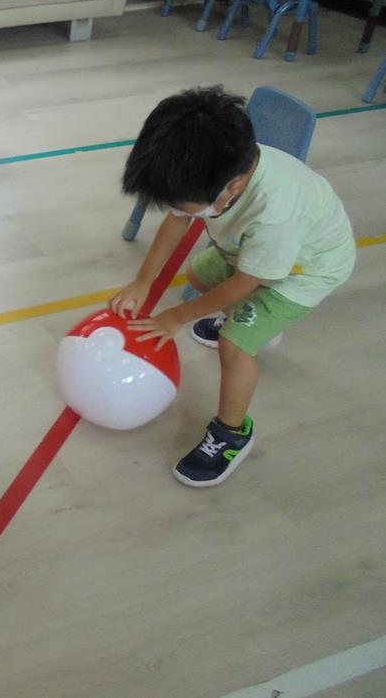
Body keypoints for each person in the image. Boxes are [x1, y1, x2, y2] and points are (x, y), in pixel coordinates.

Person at [109, 86, 355, 487]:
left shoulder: (275, 213)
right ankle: (254, 324)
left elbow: (246, 282)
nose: (179, 210)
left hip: (303, 271)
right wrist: (142, 281)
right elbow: (177, 219)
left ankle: (231, 434)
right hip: (250, 254)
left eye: (185, 204)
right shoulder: (216, 168)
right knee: (199, 275)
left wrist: (176, 317)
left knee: (234, 346)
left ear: (233, 187)